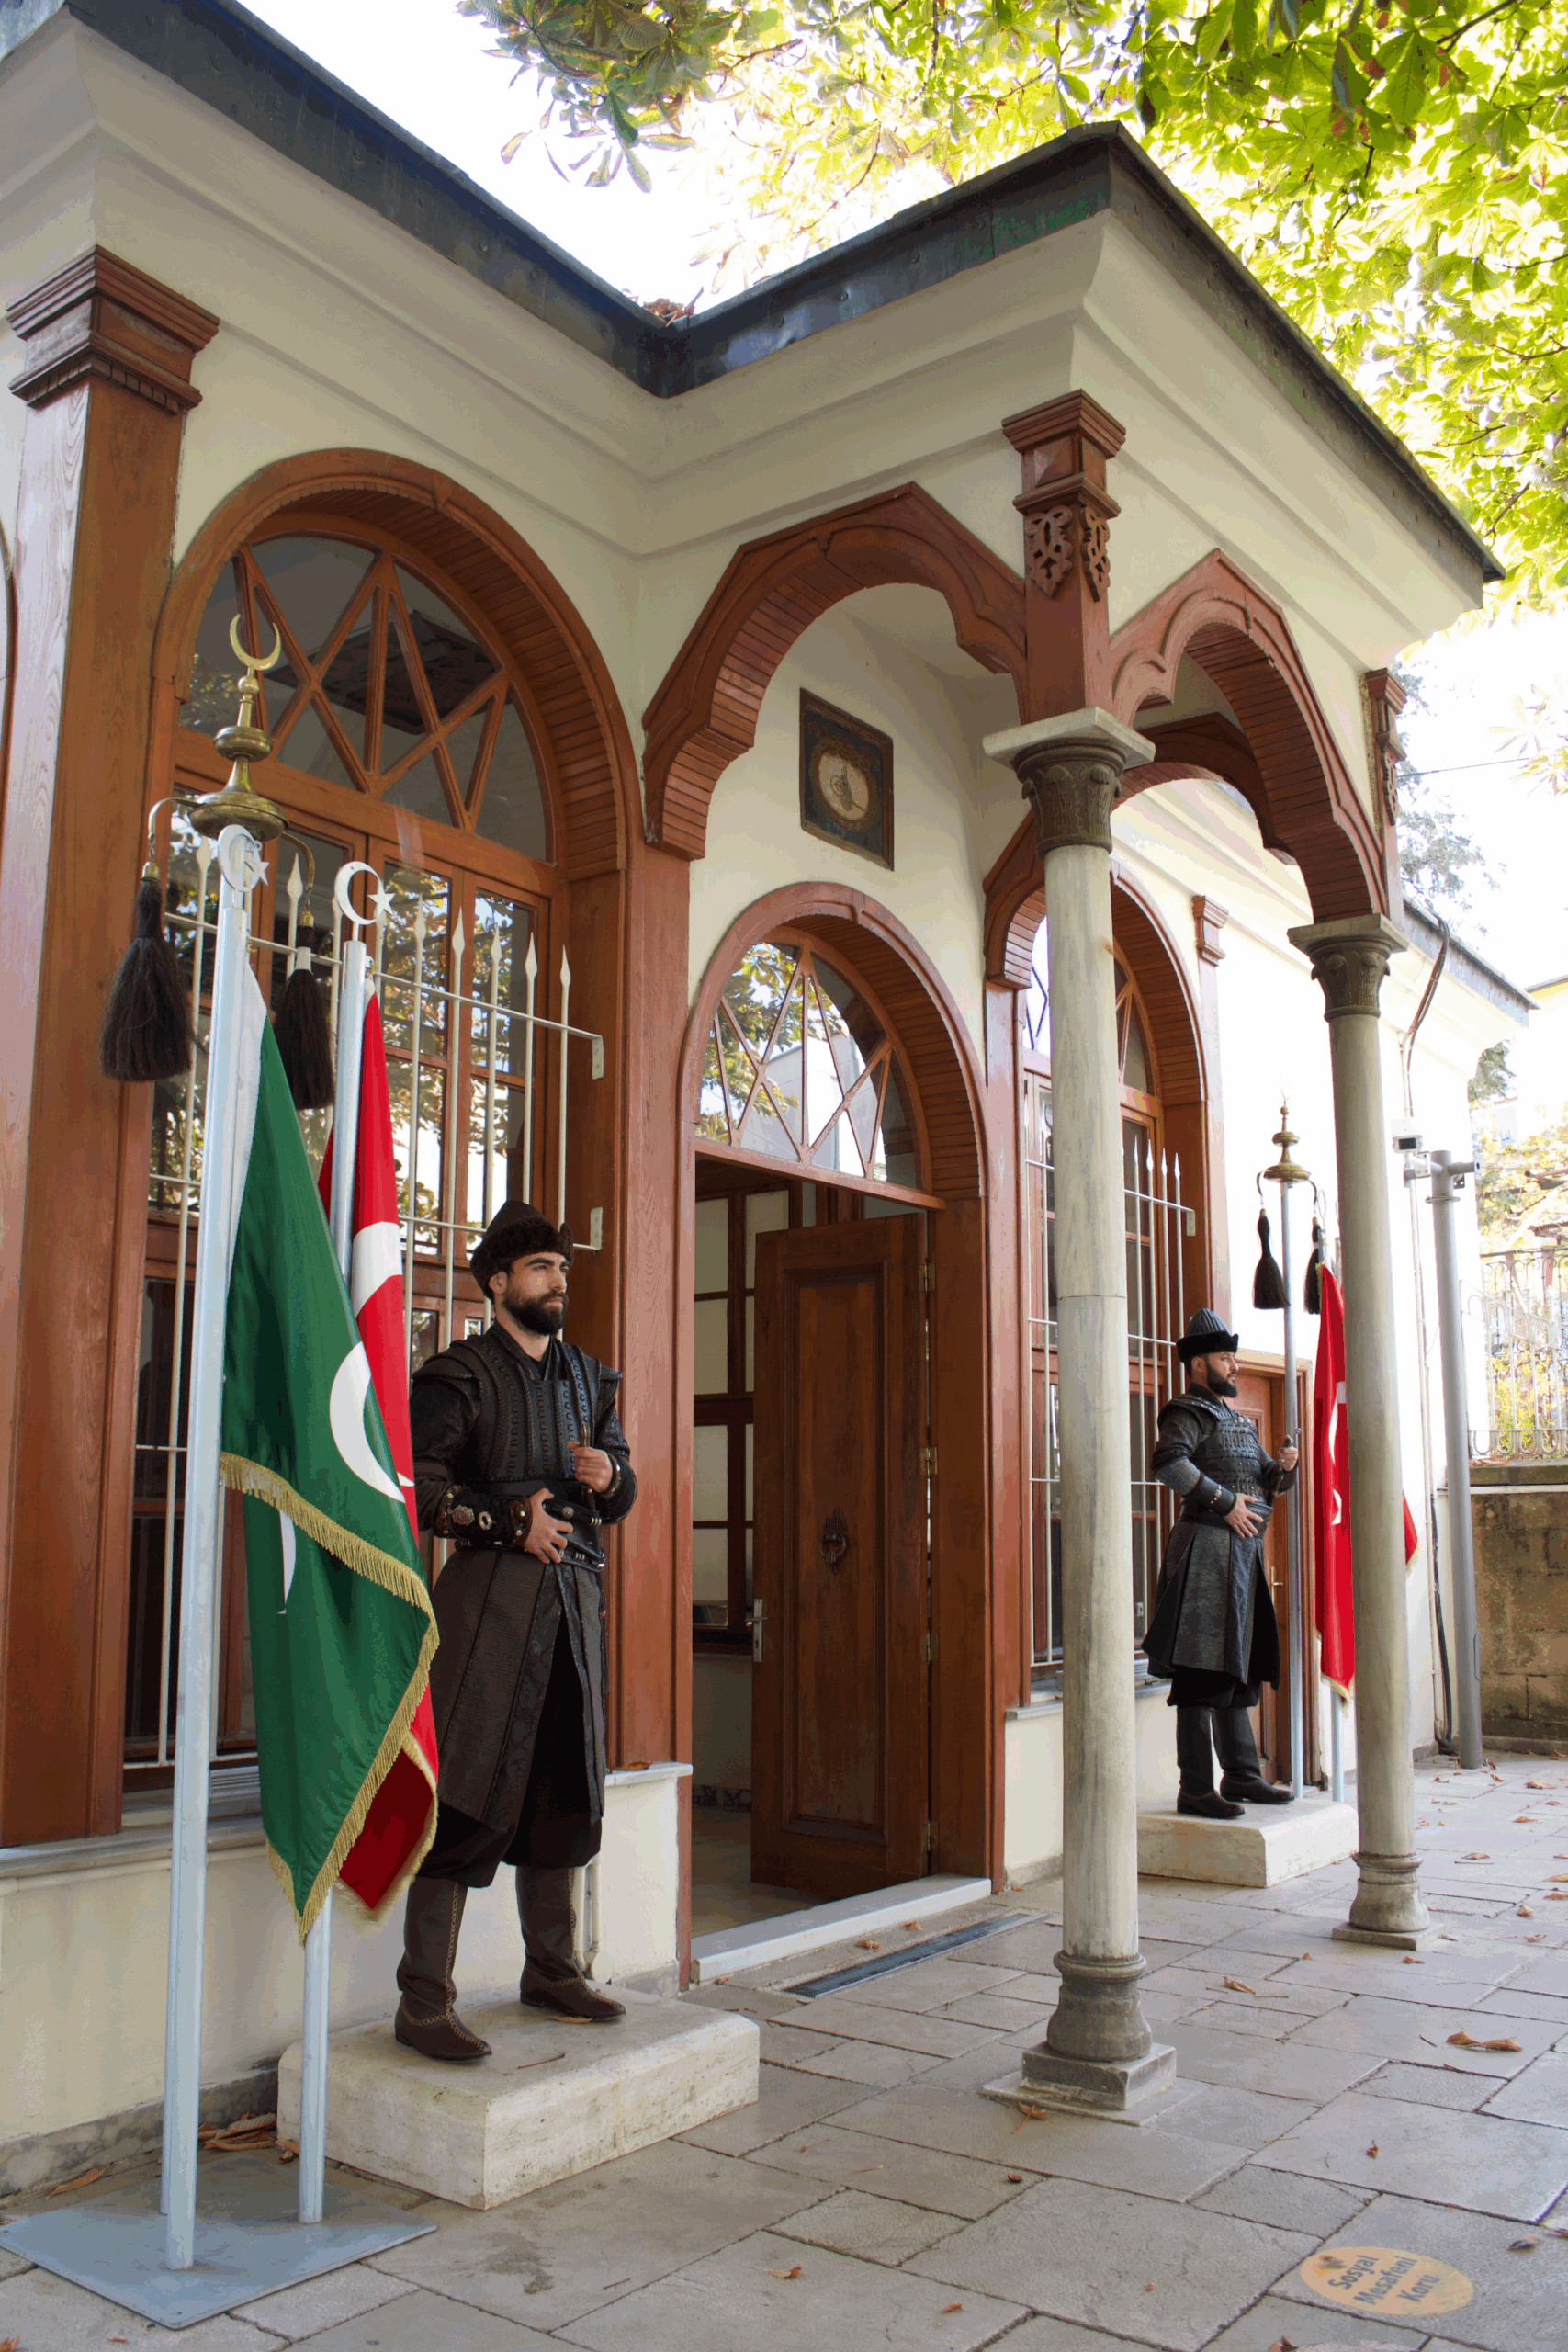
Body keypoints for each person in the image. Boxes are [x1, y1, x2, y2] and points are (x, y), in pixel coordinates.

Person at [393, 1203, 637, 2061]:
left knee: (564, 1788)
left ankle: (553, 1969)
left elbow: (622, 1486)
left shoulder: (591, 1379)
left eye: (560, 1266)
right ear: (497, 1283)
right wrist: (507, 1520)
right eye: (539, 1268)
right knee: (462, 1793)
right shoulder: (454, 1377)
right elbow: (416, 1487)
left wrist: (613, 1477)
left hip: (573, 1608)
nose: (557, 1280)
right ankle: (423, 2001)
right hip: (487, 1608)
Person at [1145, 1307, 1299, 1819]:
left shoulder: (1235, 1420)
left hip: (1242, 1557)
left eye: (1233, 1357)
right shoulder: (1184, 1411)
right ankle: (1195, 1787)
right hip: (1206, 1554)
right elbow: (1169, 1463)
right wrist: (1224, 1502)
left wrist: (1283, 1469)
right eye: (1224, 1357)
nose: (1233, 1365)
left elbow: (1263, 1483)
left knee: (1239, 1666)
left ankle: (1241, 1775)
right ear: (1197, 1365)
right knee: (1201, 1669)